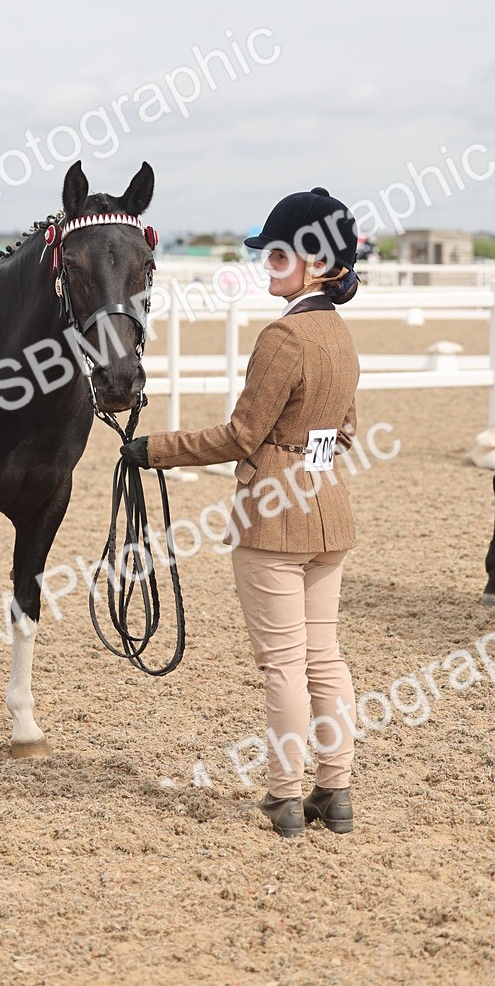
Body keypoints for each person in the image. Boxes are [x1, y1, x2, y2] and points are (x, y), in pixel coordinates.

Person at [122, 187, 361, 837]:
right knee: (324, 659)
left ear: (317, 264)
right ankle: (335, 790)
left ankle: (285, 796)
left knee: (284, 666)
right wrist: (304, 458)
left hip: (274, 521)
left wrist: (155, 451)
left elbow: (240, 436)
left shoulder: (285, 335)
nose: (268, 266)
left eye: (279, 256)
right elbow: (344, 432)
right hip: (329, 513)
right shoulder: (340, 335)